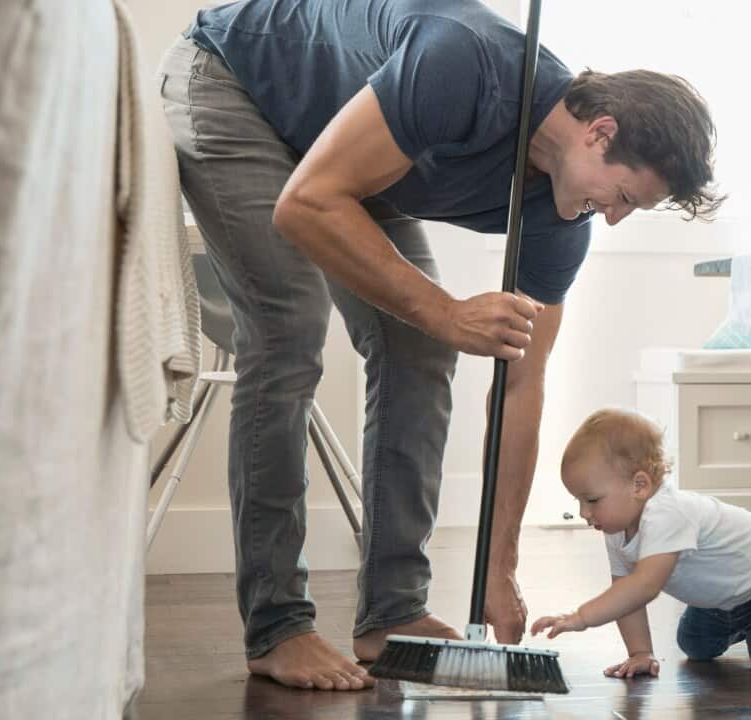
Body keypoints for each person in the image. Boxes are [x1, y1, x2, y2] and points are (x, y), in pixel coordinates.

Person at [158, 0, 721, 692]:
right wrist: (448, 311)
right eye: (626, 197)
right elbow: (307, 203)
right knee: (287, 329)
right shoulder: (469, 61)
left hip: (349, 153)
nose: (613, 216)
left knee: (421, 348)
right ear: (600, 133)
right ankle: (277, 626)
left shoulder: (559, 222)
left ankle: (391, 613)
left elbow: (521, 383)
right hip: (238, 81)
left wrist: (499, 564)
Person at [530, 409, 751, 677]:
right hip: (726, 595)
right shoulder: (616, 530)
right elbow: (625, 593)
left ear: (639, 486)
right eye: (578, 501)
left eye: (592, 500)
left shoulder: (667, 512)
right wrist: (641, 652)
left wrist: (581, 617)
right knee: (695, 645)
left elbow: (643, 586)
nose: (583, 513)